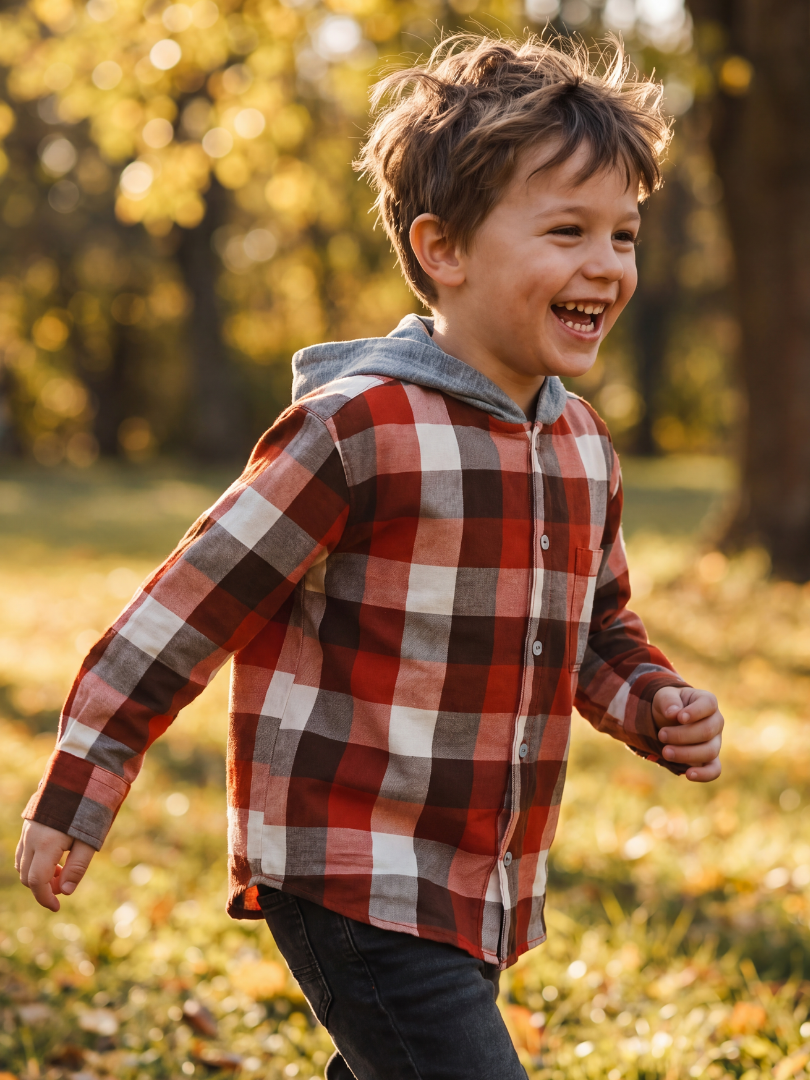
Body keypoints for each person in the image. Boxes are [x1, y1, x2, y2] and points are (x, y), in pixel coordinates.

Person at [16, 32, 724, 1080]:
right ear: (443, 250)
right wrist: (87, 775)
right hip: (345, 864)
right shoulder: (358, 428)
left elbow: (593, 633)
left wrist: (653, 701)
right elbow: (188, 608)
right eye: (568, 229)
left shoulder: (581, 447)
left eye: (624, 234)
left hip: (474, 876)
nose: (608, 265)